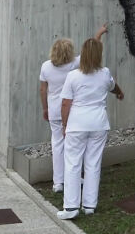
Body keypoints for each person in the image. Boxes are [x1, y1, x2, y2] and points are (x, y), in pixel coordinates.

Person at [57, 37, 124, 220]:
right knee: (93, 164)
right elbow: (113, 86)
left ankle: (71, 207)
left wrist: (64, 125)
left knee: (72, 164)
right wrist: (119, 92)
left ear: (83, 54)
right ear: (99, 54)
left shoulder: (73, 76)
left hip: (77, 124)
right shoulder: (104, 73)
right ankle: (89, 205)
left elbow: (65, 103)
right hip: (98, 124)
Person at [39, 24, 108, 193]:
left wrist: (45, 108)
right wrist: (99, 34)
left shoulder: (46, 66)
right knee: (74, 149)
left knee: (57, 145)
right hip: (72, 112)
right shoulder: (74, 64)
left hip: (55, 111)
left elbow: (43, 89)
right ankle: (74, 178)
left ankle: (58, 182)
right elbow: (91, 50)